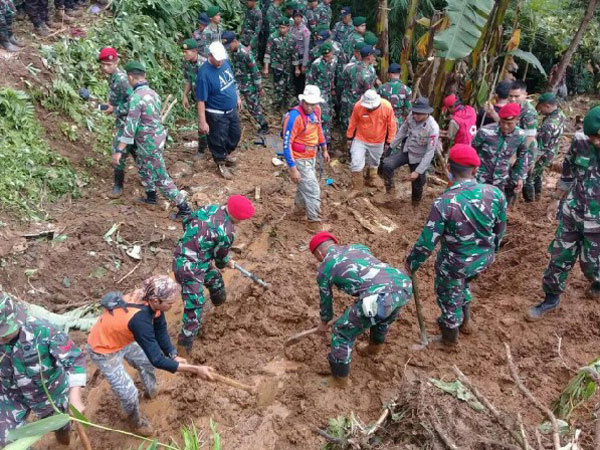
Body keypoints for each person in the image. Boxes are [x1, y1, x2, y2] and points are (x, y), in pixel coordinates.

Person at [87, 276, 215, 435]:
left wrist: (173, 354)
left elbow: (160, 329)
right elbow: (157, 360)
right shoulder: (140, 319)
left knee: (145, 363)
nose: (172, 305)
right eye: (169, 303)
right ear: (155, 300)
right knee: (129, 394)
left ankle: (151, 390)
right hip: (104, 348)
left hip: (124, 337)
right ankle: (135, 422)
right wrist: (195, 369)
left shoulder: (151, 303)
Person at [406, 144, 507, 345]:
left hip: (454, 264)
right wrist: (490, 250)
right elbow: (500, 229)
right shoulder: (494, 194)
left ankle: (449, 339)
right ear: (476, 170)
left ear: (449, 170)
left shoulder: (444, 202)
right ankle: (466, 321)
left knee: (449, 296)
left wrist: (411, 263)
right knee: (463, 283)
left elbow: (427, 242)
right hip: (483, 259)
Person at [310, 232, 412, 386]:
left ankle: (339, 379)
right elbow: (368, 271)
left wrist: (324, 322)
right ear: (334, 243)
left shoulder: (325, 268)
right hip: (402, 285)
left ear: (319, 253)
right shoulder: (358, 247)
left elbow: (326, 301)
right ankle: (374, 349)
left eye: (316, 257)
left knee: (341, 331)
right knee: (381, 317)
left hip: (379, 296)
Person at [528, 107, 600, 319]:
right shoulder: (580, 143)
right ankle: (550, 298)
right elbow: (568, 172)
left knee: (592, 265)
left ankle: (597, 282)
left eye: (599, 137)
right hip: (573, 212)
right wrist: (555, 200)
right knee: (559, 258)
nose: (595, 142)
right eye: (591, 137)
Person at [0, 292, 86, 447]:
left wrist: (75, 397)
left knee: (61, 428)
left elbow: (74, 359)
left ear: (16, 321)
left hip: (50, 396)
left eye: (3, 333)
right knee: (6, 439)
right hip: (12, 396)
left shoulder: (43, 330)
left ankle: (62, 435)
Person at [173, 195, 255, 354]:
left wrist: (198, 245)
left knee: (215, 279)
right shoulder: (227, 232)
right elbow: (220, 260)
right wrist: (226, 261)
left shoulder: (209, 208)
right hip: (190, 270)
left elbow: (187, 221)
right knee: (194, 310)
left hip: (181, 256)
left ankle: (220, 308)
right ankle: (183, 351)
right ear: (238, 218)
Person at [116, 61, 193, 220]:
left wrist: (119, 150)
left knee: (160, 176)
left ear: (131, 78)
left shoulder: (136, 98)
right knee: (143, 166)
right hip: (155, 139)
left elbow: (130, 127)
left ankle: (184, 207)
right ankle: (151, 196)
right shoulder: (153, 93)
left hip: (148, 142)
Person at [282, 85, 330, 230]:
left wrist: (324, 148)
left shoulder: (317, 111)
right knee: (313, 190)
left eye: (313, 104)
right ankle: (314, 223)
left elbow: (318, 129)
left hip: (311, 156)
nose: (310, 107)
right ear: (302, 101)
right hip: (300, 158)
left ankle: (298, 212)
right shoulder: (294, 117)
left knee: (305, 186)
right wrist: (293, 168)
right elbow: (286, 144)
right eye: (308, 104)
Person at [379, 97, 440, 206]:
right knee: (387, 165)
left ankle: (415, 204)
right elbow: (402, 131)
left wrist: (418, 171)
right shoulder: (411, 116)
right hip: (407, 151)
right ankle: (390, 191)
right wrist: (391, 148)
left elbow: (429, 153)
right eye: (414, 112)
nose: (414, 115)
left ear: (426, 113)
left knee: (417, 183)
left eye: (418, 114)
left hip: (420, 157)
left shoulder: (433, 128)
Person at [196, 42, 243, 180]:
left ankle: (225, 154)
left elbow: (232, 81)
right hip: (216, 113)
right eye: (218, 59)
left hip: (231, 109)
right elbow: (201, 101)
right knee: (218, 139)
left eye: (222, 59)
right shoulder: (204, 75)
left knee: (235, 135)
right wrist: (203, 122)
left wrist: (237, 97)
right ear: (210, 56)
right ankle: (220, 161)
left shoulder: (225, 63)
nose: (221, 61)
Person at [471, 103, 528, 203]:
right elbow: (472, 150)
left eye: (509, 123)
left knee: (496, 205)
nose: (505, 126)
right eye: (503, 122)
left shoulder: (520, 136)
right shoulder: (485, 132)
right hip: (481, 176)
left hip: (501, 179)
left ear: (517, 121)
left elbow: (522, 157)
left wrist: (519, 178)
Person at [98, 47, 136, 198]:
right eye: (103, 65)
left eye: (108, 64)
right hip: (123, 121)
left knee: (118, 152)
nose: (105, 67)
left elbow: (133, 102)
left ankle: (118, 186)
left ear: (116, 62)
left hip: (128, 122)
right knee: (134, 151)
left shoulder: (121, 79)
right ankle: (148, 181)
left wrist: (115, 110)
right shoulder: (113, 78)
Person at [346, 89, 396, 192]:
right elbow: (353, 122)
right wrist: (349, 137)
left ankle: (371, 178)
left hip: (378, 141)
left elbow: (392, 125)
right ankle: (357, 188)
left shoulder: (386, 106)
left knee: (374, 162)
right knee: (356, 161)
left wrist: (389, 141)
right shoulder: (358, 106)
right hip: (360, 139)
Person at [222, 31, 269, 136]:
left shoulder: (245, 53)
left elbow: (255, 71)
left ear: (235, 41)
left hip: (249, 85)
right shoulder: (233, 52)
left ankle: (264, 125)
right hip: (237, 82)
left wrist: (259, 87)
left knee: (253, 106)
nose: (228, 48)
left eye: (229, 45)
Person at [531, 92, 566, 200]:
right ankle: (537, 195)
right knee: (539, 173)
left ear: (547, 106)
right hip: (552, 151)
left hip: (544, 154)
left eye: (541, 107)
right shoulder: (561, 115)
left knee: (531, 175)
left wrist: (532, 161)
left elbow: (541, 148)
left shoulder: (548, 124)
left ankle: (529, 199)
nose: (540, 110)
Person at [508, 80, 539, 202]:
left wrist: (516, 155)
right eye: (510, 96)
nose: (513, 99)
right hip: (514, 147)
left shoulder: (528, 112)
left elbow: (529, 138)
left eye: (516, 96)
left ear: (525, 95)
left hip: (526, 149)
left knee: (523, 177)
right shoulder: (510, 107)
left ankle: (529, 202)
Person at [338, 45, 379, 135]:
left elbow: (340, 83)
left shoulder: (349, 66)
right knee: (357, 124)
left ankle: (345, 141)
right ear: (369, 57)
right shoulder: (370, 72)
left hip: (346, 100)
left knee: (346, 123)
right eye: (373, 56)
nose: (374, 58)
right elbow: (369, 91)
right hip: (360, 103)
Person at [306, 42, 339, 151]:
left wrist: (333, 87)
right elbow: (310, 81)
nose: (327, 58)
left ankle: (325, 140)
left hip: (329, 92)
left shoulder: (334, 61)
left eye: (328, 56)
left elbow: (333, 75)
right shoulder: (317, 64)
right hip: (319, 93)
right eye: (325, 56)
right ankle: (324, 142)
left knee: (329, 115)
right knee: (324, 117)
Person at [263, 18, 297, 112]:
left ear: (288, 27)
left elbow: (295, 54)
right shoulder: (273, 37)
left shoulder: (293, 38)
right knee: (278, 86)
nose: (281, 29)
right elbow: (267, 53)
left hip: (288, 66)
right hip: (277, 65)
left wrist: (297, 68)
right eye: (280, 27)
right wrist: (266, 68)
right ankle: (278, 105)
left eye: (283, 27)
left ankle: (287, 105)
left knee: (289, 86)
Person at [182, 39, 209, 157]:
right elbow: (188, 79)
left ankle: (204, 149)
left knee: (207, 122)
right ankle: (203, 148)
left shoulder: (205, 64)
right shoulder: (186, 63)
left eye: (186, 52)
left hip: (208, 98)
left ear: (194, 51)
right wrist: (184, 95)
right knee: (201, 122)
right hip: (197, 98)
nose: (184, 54)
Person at [377, 63, 412, 128]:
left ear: (390, 74)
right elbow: (408, 109)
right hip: (399, 122)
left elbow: (376, 105)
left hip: (383, 120)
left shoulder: (382, 88)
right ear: (400, 74)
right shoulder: (407, 90)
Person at [290, 9, 310, 96]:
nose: (298, 19)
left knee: (301, 80)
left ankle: (300, 96)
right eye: (296, 17)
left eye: (299, 17)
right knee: (293, 79)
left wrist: (304, 64)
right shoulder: (291, 28)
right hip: (292, 58)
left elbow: (306, 48)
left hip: (301, 58)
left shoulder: (305, 31)